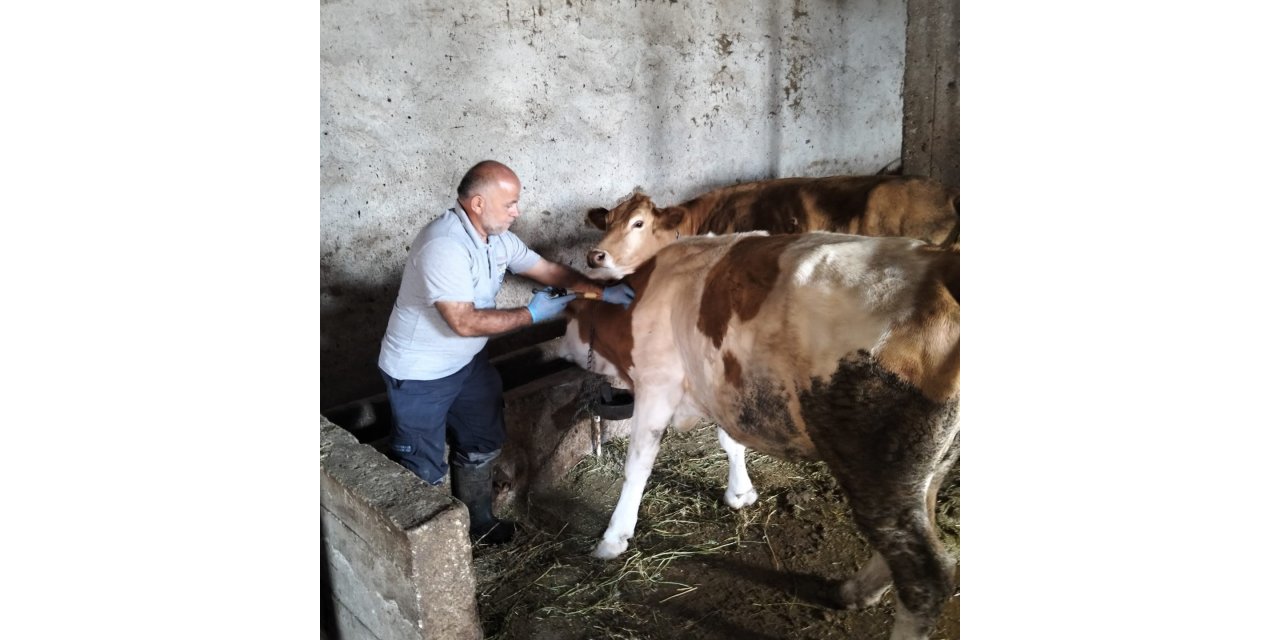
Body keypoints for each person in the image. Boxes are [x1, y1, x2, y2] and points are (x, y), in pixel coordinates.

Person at [377, 160, 634, 545]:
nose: (517, 211)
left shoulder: (496, 239)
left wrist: (602, 290)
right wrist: (532, 314)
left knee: (483, 439)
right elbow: (462, 322)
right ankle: (437, 554)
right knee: (421, 469)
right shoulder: (444, 244)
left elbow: (547, 270)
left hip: (466, 361)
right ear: (478, 203)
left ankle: (478, 524)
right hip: (420, 374)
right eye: (510, 204)